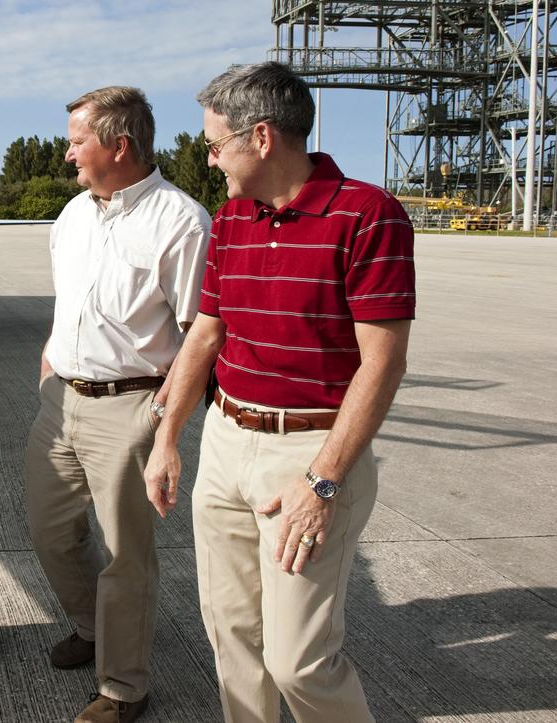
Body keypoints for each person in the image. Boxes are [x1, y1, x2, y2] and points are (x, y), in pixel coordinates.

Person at [145, 62, 415, 723]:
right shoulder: (232, 218)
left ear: (260, 137)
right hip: (227, 440)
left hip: (309, 453)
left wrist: (322, 482)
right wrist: (168, 436)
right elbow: (206, 336)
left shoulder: (367, 215)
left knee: (300, 659)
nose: (209, 159)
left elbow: (382, 364)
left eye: (214, 144)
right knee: (232, 637)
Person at [26, 87, 211, 723]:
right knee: (49, 532)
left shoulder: (180, 221)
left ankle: (124, 686)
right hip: (61, 401)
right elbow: (68, 301)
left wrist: (165, 423)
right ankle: (92, 625)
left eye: (79, 140)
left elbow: (200, 332)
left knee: (127, 556)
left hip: (130, 407)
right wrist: (54, 356)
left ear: (119, 145)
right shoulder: (74, 214)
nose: (68, 151)